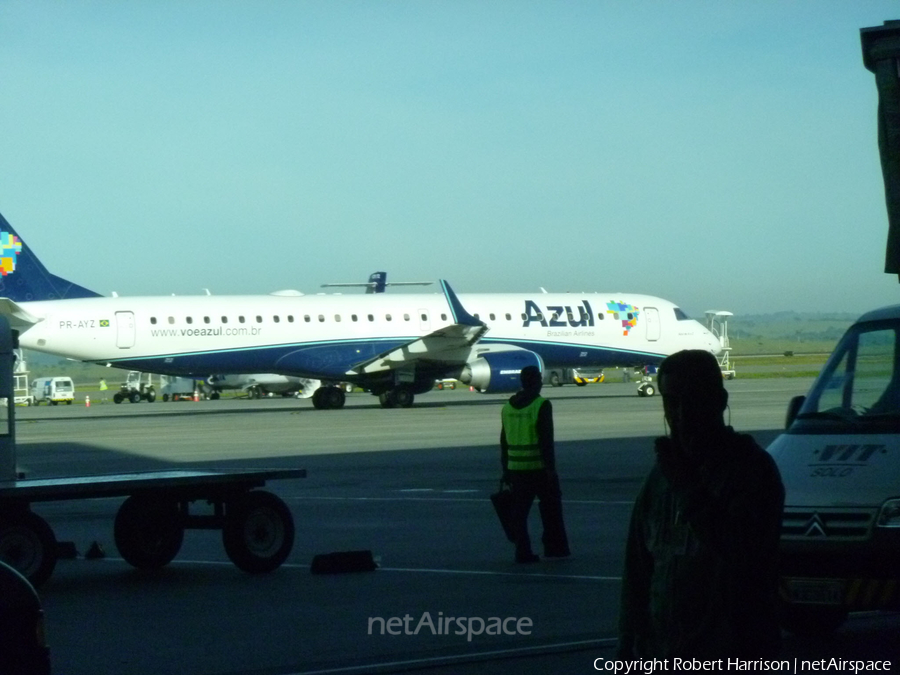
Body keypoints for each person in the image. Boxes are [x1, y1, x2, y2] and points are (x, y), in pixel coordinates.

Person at [617, 350, 785, 658]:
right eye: (671, 401)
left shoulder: (751, 471)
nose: (681, 414)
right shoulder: (658, 480)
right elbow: (638, 571)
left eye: (693, 399)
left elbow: (744, 555)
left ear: (719, 401)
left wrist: (688, 488)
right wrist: (629, 642)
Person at [500, 365, 570, 563]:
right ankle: (554, 548)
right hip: (539, 469)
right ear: (536, 382)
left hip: (516, 470)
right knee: (551, 510)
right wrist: (551, 470)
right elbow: (546, 441)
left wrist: (505, 469)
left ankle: (522, 552)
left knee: (519, 514)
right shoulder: (541, 405)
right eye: (539, 379)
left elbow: (504, 441)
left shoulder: (508, 407)